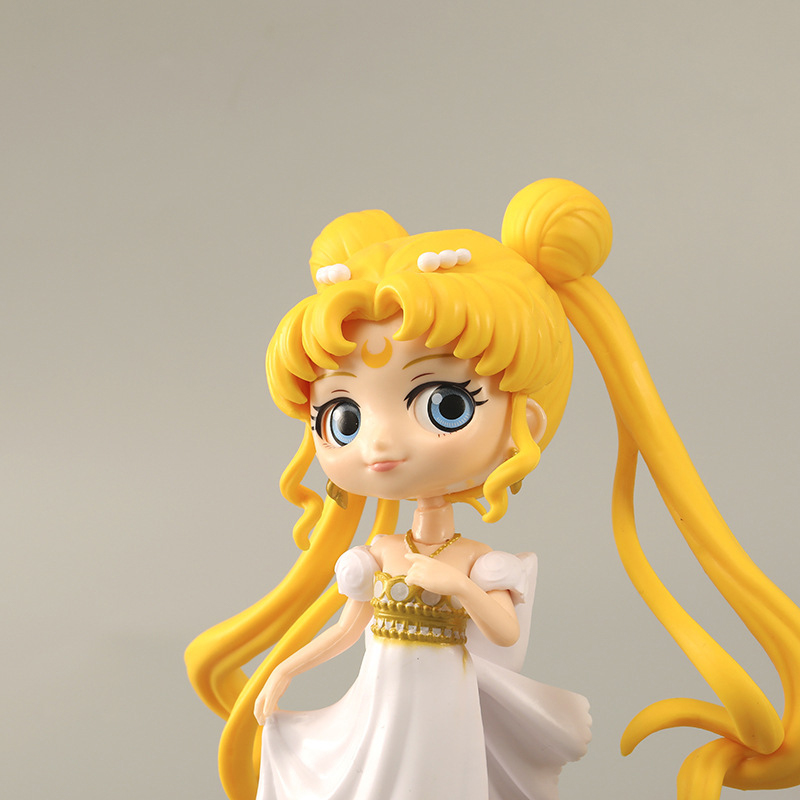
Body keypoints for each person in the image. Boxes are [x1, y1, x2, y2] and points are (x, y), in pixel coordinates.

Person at [186, 179, 800, 800]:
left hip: (444, 704)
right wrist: (285, 670)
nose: (378, 444)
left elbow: (504, 633)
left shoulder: (479, 563)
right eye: (342, 416)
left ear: (524, 424)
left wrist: (457, 586)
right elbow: (348, 629)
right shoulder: (379, 554)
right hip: (380, 699)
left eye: (445, 404)